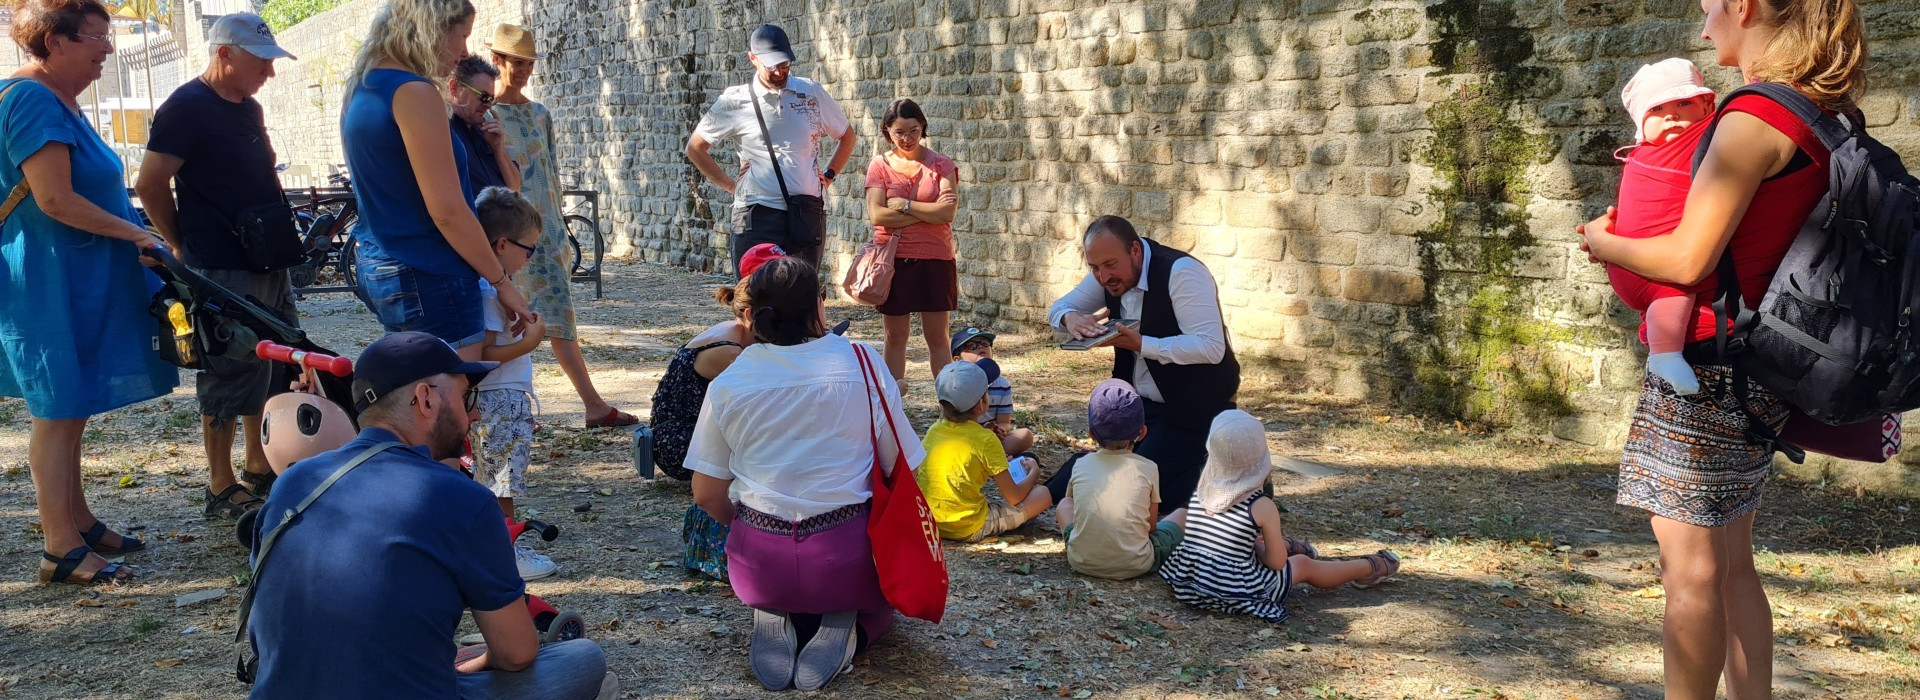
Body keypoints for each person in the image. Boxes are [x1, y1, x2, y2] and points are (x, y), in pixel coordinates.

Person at [1576, 1, 1866, 697]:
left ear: (1746, 7)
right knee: (1733, 562)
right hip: (1762, 366)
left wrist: (1603, 241)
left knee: (1691, 570)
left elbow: (1684, 260)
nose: (1706, 28)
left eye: (1711, 9)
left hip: (1705, 371)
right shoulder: (1821, 115)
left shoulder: (1754, 119)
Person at [243, 332, 609, 699]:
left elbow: (269, 636)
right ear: (425, 398)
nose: (475, 414)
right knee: (583, 659)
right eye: (467, 398)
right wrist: (476, 665)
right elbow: (517, 654)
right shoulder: (462, 498)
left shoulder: (292, 482)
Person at [3, 0, 178, 584]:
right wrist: (137, 232)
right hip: (47, 281)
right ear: (55, 42)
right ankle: (60, 548)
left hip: (70, 275)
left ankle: (76, 520)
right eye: (98, 37)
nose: (108, 49)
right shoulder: (31, 98)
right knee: (56, 409)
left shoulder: (57, 99)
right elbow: (52, 198)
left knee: (71, 405)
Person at [686, 257, 921, 692]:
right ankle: (854, 629)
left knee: (778, 571)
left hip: (757, 564)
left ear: (752, 314)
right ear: (819, 306)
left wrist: (755, 530)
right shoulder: (862, 362)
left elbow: (705, 494)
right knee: (880, 606)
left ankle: (776, 607)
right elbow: (899, 464)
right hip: (847, 557)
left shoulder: (729, 381)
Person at [135, 12, 299, 519]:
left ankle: (258, 461)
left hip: (267, 256)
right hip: (220, 263)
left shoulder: (247, 107)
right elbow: (149, 183)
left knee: (272, 358)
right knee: (227, 367)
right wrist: (179, 244)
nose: (269, 74)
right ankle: (219, 483)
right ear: (224, 54)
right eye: (261, 62)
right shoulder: (185, 108)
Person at [343, 0, 530, 357]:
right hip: (430, 270)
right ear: (431, 28)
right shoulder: (414, 91)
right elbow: (448, 210)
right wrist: (502, 283)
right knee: (448, 400)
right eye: (461, 36)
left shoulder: (364, 85)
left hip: (381, 262)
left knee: (414, 397)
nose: (463, 51)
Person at [486, 24, 635, 428]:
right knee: (504, 318)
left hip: (546, 229)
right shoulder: (485, 116)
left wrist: (556, 228)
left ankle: (592, 405)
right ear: (497, 60)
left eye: (528, 64)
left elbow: (550, 173)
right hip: (504, 233)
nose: (523, 71)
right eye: (516, 62)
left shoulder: (539, 114)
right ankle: (516, 403)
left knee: (558, 316)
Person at [1046, 215, 1241, 517]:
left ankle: (1230, 480)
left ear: (1135, 251)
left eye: (1110, 265)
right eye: (1094, 268)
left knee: (1133, 482)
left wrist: (1141, 344)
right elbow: (1059, 307)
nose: (1103, 277)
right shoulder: (1106, 275)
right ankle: (1037, 498)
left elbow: (1211, 347)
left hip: (1193, 410)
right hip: (1142, 412)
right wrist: (1069, 318)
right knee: (1105, 467)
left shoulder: (1181, 273)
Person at [1158, 410, 1399, 623]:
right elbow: (1276, 563)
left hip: (1191, 582)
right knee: (1302, 566)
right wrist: (1260, 549)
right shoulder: (1261, 505)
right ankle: (1368, 568)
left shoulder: (1202, 488)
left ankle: (1300, 547)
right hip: (1235, 592)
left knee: (1256, 544)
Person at [651, 242, 782, 581]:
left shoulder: (739, 337)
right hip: (680, 442)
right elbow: (764, 402)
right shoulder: (728, 351)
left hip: (688, 432)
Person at [685, 23, 856, 275]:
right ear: (752, 59)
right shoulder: (734, 101)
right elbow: (695, 148)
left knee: (801, 297)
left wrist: (829, 175)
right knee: (754, 294)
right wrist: (731, 186)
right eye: (771, 65)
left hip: (806, 211)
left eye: (785, 64)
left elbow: (847, 135)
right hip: (756, 212)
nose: (779, 71)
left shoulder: (811, 93)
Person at [1606, 58, 1719, 396]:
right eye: (1656, 108)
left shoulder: (1693, 143)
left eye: (1684, 103)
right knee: (1674, 289)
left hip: (1632, 259)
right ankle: (1664, 354)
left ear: (1706, 106)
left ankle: (1663, 350)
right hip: (1646, 261)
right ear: (1641, 120)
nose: (1671, 114)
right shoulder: (1644, 155)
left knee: (1670, 298)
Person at [469, 186, 554, 580]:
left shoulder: (489, 291)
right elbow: (483, 354)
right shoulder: (487, 293)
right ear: (502, 245)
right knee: (502, 480)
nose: (529, 258)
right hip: (500, 397)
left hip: (502, 396)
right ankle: (507, 553)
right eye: (528, 249)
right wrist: (528, 343)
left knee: (495, 476)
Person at [864, 98, 960, 383]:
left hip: (936, 258)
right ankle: (891, 407)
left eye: (913, 131)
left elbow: (948, 212)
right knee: (895, 337)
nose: (907, 139)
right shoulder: (879, 165)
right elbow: (877, 215)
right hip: (893, 260)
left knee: (939, 338)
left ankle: (950, 407)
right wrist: (928, 214)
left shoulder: (941, 165)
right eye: (899, 132)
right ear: (887, 132)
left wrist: (905, 205)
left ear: (923, 128)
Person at [1055, 380, 1185, 580]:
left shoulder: (1081, 464)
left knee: (1064, 504)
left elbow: (1076, 510)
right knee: (1183, 515)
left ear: (1090, 434)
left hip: (1080, 560)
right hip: (1137, 564)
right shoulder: (1148, 467)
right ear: (1142, 432)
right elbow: (1151, 527)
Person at [917, 361, 1051, 542]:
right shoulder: (986, 440)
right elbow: (1014, 497)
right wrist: (1034, 472)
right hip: (968, 527)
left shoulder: (934, 431)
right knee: (1043, 494)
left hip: (929, 522)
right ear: (982, 403)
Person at [951, 327, 1036, 456]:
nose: (981, 347)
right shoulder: (954, 384)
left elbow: (1004, 421)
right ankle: (986, 457)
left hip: (989, 439)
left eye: (985, 344)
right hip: (962, 437)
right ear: (958, 359)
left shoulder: (1002, 385)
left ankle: (986, 457)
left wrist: (1000, 430)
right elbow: (951, 421)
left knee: (1025, 435)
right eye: (972, 346)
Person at [445, 54, 520, 193]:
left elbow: (514, 189)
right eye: (483, 97)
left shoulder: (484, 132)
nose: (488, 106)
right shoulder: (443, 131)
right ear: (454, 88)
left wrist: (498, 149)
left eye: (492, 99)